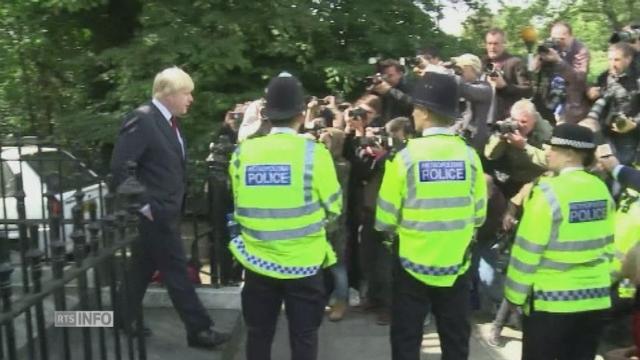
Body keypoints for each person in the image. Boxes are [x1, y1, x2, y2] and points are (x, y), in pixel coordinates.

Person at [110, 66, 229, 348]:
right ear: (168, 93)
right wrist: (144, 205)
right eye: (187, 93)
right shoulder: (142, 119)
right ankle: (199, 330)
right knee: (176, 270)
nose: (191, 99)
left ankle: (123, 318)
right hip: (155, 214)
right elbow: (120, 168)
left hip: (167, 211)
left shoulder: (170, 123)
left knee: (141, 266)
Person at [228, 72, 342, 360]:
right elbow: (334, 208)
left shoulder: (243, 153)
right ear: (302, 114)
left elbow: (240, 202)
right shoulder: (314, 153)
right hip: (304, 264)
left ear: (266, 114)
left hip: (256, 261)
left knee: (258, 334)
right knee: (304, 337)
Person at [376, 71, 488, 360]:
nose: (413, 113)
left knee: (406, 337)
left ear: (424, 113)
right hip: (456, 263)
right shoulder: (469, 157)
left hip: (411, 263)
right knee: (455, 338)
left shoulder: (405, 158)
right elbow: (479, 215)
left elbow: (385, 219)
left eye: (415, 108)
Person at [504, 123, 615, 360]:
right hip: (594, 301)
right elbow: (608, 245)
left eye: (553, 147)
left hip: (551, 304)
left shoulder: (547, 193)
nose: (547, 152)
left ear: (570, 154)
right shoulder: (601, 189)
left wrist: (514, 296)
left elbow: (527, 251)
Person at [484, 99, 553, 199]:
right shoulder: (508, 126)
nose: (518, 125)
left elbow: (549, 162)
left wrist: (525, 146)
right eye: (514, 120)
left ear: (534, 120)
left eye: (523, 122)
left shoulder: (546, 134)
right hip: (509, 178)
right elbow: (490, 155)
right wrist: (500, 138)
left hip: (532, 181)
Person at [533, 21, 590, 124]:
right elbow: (532, 71)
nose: (558, 42)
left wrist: (559, 61)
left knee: (563, 134)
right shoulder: (551, 48)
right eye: (554, 39)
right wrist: (538, 55)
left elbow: (579, 79)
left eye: (561, 39)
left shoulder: (580, 51)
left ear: (570, 36)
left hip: (570, 103)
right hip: (548, 100)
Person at [483, 28, 533, 122]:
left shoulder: (515, 63)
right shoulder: (483, 63)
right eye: (489, 43)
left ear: (503, 44)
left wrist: (504, 86)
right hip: (484, 116)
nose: (492, 47)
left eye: (496, 43)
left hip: (507, 118)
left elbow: (528, 91)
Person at [369, 59, 415, 124]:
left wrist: (390, 91)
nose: (387, 79)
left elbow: (412, 104)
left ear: (400, 74)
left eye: (390, 76)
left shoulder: (409, 85)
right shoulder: (382, 87)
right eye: (384, 76)